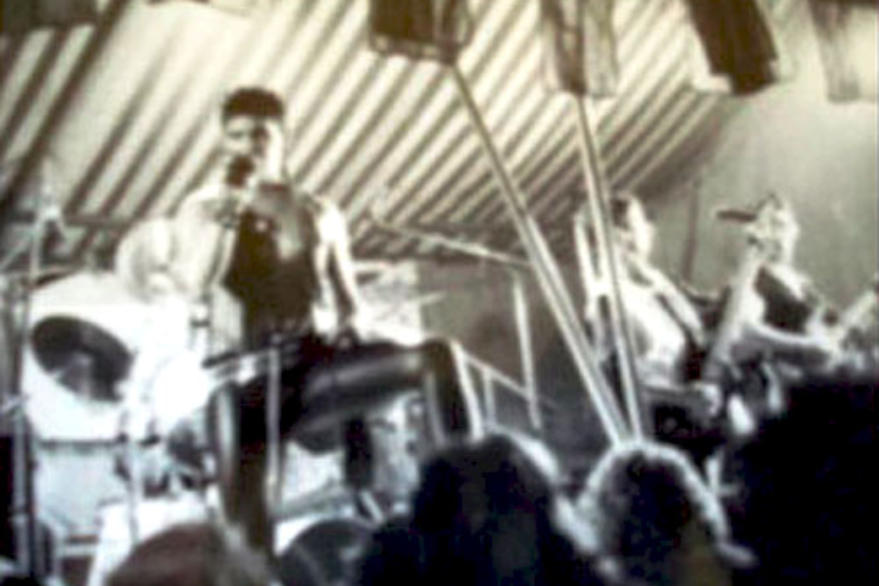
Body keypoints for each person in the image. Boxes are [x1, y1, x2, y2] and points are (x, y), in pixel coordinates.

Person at [115, 87, 482, 556]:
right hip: (243, 384)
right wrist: (230, 207)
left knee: (436, 357)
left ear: (284, 138)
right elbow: (196, 283)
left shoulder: (320, 211)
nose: (248, 146)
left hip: (314, 371)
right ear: (223, 144)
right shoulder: (202, 208)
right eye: (236, 136)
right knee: (247, 544)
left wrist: (353, 325)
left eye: (260, 135)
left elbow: (351, 303)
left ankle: (467, 512)